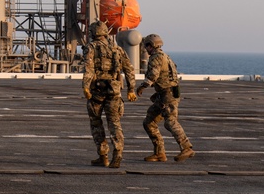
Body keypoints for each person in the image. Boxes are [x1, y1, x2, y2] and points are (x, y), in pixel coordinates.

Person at [82, 21, 136, 168]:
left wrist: (85, 87)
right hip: (114, 90)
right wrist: (131, 89)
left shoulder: (91, 47)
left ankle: (103, 156)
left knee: (96, 123)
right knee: (115, 124)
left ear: (93, 33)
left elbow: (89, 69)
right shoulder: (117, 49)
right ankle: (118, 154)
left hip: (97, 92)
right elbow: (129, 69)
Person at [136, 33, 195, 162]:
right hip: (164, 95)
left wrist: (142, 87)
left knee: (170, 121)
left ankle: (186, 147)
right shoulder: (166, 56)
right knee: (149, 122)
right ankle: (159, 153)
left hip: (167, 95)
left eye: (147, 45)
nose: (146, 48)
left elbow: (153, 75)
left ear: (152, 45)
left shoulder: (156, 57)